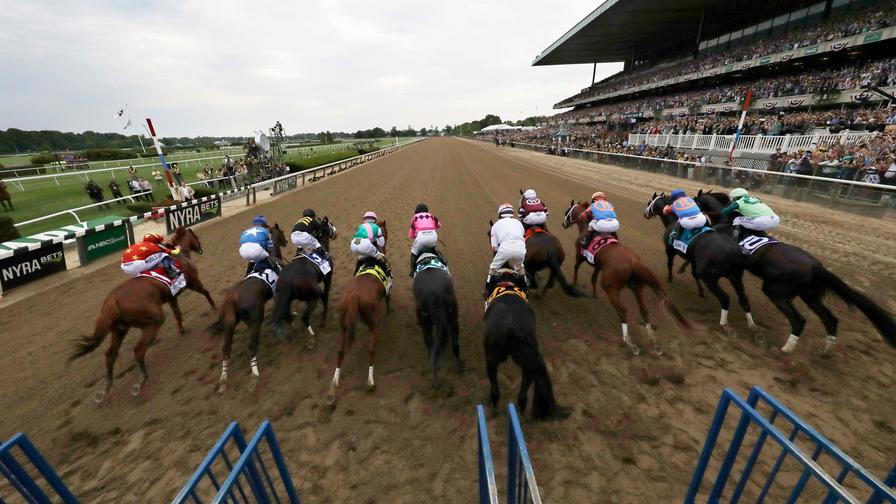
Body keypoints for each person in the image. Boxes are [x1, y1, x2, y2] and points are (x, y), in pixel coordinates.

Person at [487, 203, 526, 291]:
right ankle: (525, 288)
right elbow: (523, 237)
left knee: (493, 268)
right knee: (520, 267)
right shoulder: (518, 222)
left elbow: (494, 247)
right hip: (520, 248)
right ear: (512, 213)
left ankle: (487, 290)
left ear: (500, 214)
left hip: (505, 249)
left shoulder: (496, 225)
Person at [407, 203, 444, 277]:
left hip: (421, 237)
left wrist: (416, 235)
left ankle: (412, 270)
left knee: (413, 252)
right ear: (426, 210)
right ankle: (443, 260)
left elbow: (411, 235)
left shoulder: (414, 217)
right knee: (433, 246)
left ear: (416, 211)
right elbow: (439, 225)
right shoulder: (432, 216)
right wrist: (431, 228)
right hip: (433, 235)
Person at [350, 211, 390, 275]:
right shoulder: (377, 228)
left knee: (361, 257)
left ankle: (355, 272)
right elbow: (381, 244)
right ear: (375, 219)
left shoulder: (360, 226)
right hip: (365, 245)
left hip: (353, 245)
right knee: (380, 256)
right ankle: (388, 272)